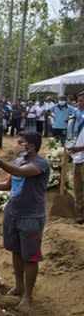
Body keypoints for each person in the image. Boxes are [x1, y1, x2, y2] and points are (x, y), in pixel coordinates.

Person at [0, 131, 50, 312]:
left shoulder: (40, 164)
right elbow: (10, 185)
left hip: (30, 216)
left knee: (30, 257)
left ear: (31, 147)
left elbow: (18, 172)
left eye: (20, 142)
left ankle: (28, 296)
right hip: (13, 213)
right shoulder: (18, 161)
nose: (16, 145)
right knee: (15, 252)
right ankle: (19, 286)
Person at [69, 94, 84, 224]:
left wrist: (79, 148)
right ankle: (80, 214)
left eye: (80, 101)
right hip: (79, 158)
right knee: (78, 188)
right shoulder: (81, 117)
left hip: (81, 154)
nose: (77, 103)